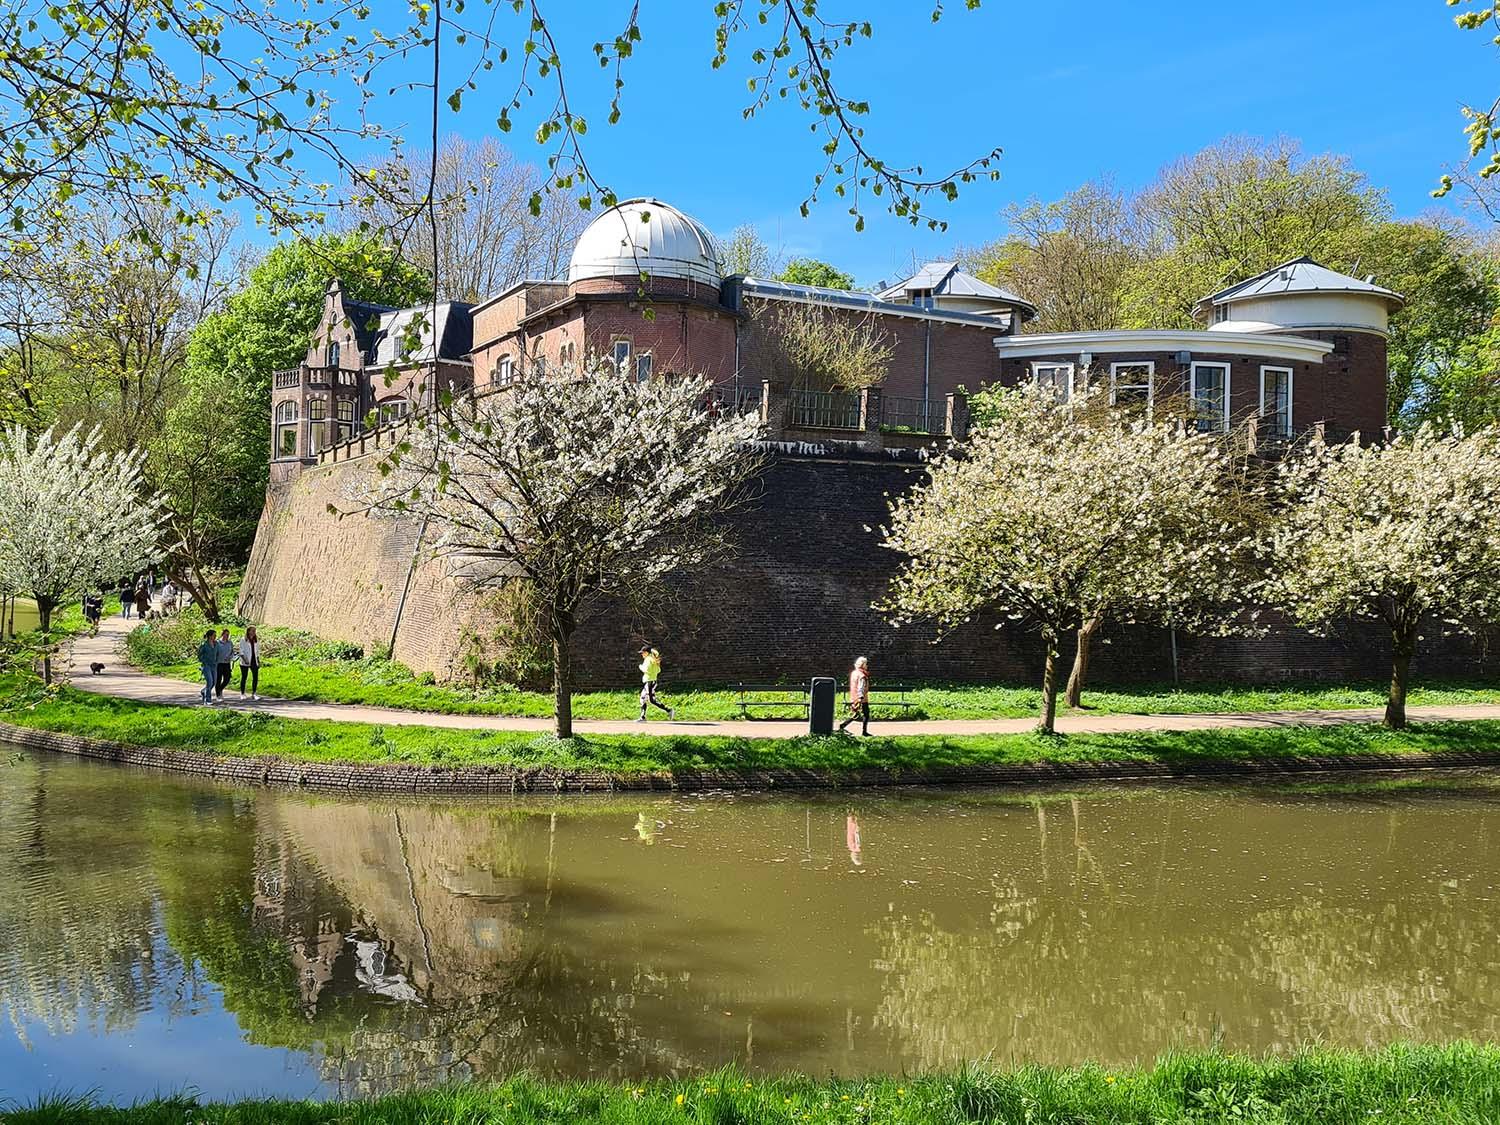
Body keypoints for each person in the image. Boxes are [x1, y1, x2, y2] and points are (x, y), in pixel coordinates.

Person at [635, 644, 674, 722]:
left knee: (649, 699)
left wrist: (640, 666)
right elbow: (658, 670)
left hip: (650, 681)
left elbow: (647, 670)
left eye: (643, 652)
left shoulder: (648, 659)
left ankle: (669, 710)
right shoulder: (653, 659)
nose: (642, 654)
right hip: (652, 681)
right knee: (644, 698)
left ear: (646, 652)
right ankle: (643, 717)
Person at [838, 655, 870, 737]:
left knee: (855, 714)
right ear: (862, 665)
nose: (867, 666)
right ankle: (864, 732)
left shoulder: (854, 673)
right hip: (861, 698)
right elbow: (861, 687)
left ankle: (843, 725)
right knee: (865, 714)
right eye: (866, 664)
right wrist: (860, 697)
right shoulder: (862, 675)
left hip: (853, 696)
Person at [238, 626, 261, 700]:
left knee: (255, 677)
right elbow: (241, 651)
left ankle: (254, 693)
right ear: (248, 631)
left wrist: (258, 661)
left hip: (254, 660)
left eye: (255, 631)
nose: (254, 632)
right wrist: (245, 660)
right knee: (244, 677)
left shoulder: (256, 640)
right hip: (245, 661)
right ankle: (242, 693)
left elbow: (257, 652)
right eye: (253, 630)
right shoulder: (243, 640)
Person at [196, 629, 219, 704]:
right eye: (214, 635)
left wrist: (217, 661)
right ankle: (208, 699)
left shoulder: (216, 644)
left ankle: (204, 691)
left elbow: (218, 653)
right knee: (209, 681)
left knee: (214, 682)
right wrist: (204, 661)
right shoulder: (204, 645)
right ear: (209, 636)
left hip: (214, 665)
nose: (215, 637)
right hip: (206, 666)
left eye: (215, 635)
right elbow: (199, 655)